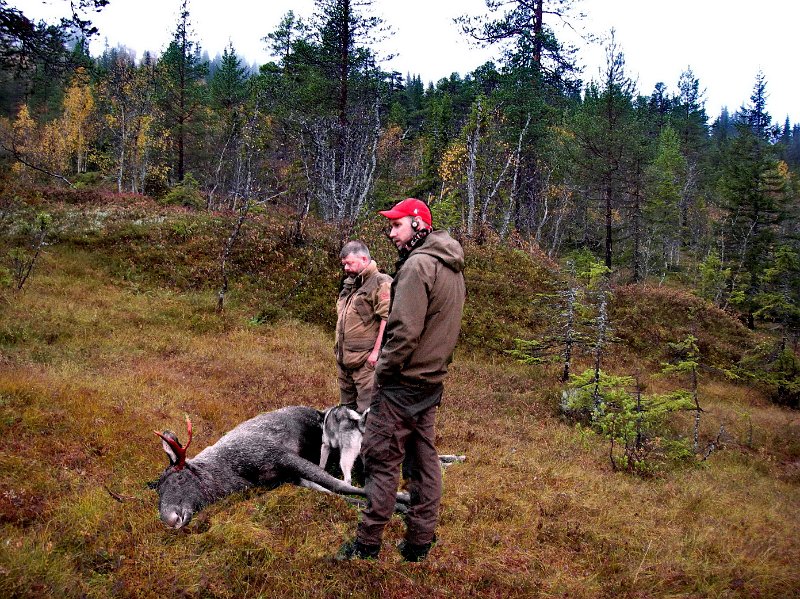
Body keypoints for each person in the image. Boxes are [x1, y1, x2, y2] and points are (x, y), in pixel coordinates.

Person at [336, 198, 466, 562]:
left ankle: (366, 545)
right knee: (424, 461)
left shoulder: (417, 266)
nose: (391, 233)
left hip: (401, 385)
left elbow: (404, 333)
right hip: (430, 384)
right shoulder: (451, 266)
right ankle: (419, 543)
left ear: (418, 224)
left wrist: (383, 372)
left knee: (380, 459)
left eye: (397, 225)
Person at [335, 240, 392, 413]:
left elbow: (387, 318)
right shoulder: (350, 284)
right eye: (344, 264)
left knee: (367, 415)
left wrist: (375, 354)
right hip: (345, 361)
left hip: (366, 364)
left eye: (349, 263)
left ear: (364, 259)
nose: (345, 268)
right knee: (345, 414)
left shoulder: (381, 283)